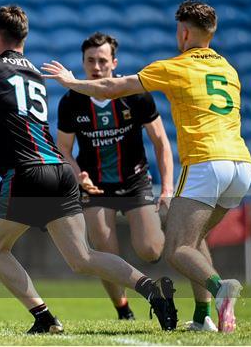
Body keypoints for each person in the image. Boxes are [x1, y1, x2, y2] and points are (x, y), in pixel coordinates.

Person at [0, 5, 177, 333]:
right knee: (83, 258)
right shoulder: (33, 73)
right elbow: (7, 132)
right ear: (25, 38)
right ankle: (151, 289)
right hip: (60, 171)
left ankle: (44, 318)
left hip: (27, 174)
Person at [42, 0, 251, 333]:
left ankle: (221, 289)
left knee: (177, 248)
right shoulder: (228, 68)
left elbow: (115, 88)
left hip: (205, 161)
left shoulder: (175, 65)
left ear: (183, 32)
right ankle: (203, 318)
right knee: (195, 239)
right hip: (242, 165)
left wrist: (69, 81)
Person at [57, 32, 174, 321]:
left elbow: (161, 142)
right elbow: (63, 147)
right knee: (104, 250)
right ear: (82, 63)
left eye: (102, 61)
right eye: (90, 61)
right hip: (95, 186)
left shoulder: (134, 94)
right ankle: (123, 309)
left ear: (114, 63)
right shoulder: (71, 101)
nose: (96, 67)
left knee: (150, 249)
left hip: (135, 180)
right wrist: (76, 174)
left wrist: (167, 188)